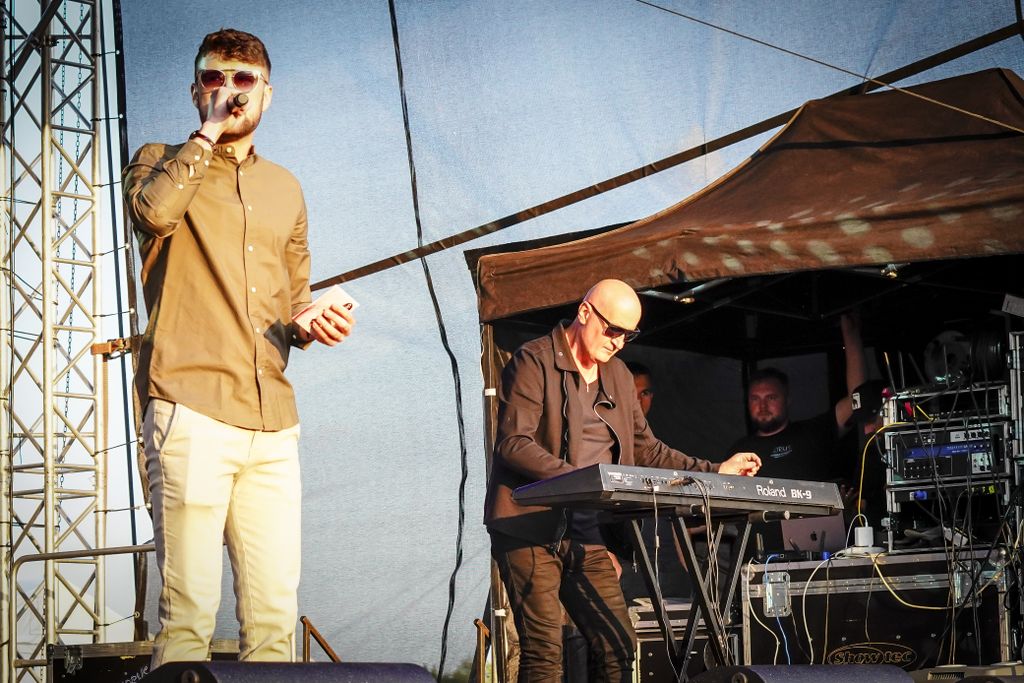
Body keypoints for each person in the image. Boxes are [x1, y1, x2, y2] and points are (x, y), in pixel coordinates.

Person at [122, 29, 355, 667]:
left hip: (273, 420)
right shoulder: (157, 160)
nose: (228, 89)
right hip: (190, 406)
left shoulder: (286, 187)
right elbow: (153, 215)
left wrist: (314, 324)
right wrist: (206, 136)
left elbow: (293, 301)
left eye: (243, 79)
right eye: (213, 77)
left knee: (274, 621)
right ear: (195, 89)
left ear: (266, 93)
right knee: (188, 620)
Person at [484, 278, 761, 682]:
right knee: (544, 653)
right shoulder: (534, 359)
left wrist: (715, 469)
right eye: (612, 329)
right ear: (585, 313)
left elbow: (648, 450)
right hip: (527, 526)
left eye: (628, 335)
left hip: (584, 528)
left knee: (617, 646)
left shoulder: (618, 375)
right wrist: (580, 480)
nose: (618, 342)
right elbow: (514, 443)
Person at [727, 313, 866, 483]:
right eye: (755, 399)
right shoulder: (739, 452)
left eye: (771, 398)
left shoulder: (812, 433)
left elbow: (856, 400)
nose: (762, 406)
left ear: (787, 400)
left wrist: (851, 336)